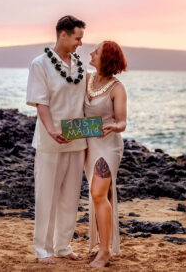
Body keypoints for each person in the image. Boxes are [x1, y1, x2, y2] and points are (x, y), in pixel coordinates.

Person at [26, 15, 87, 264]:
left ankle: (63, 246)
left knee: (70, 195)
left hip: (77, 137)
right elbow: (41, 102)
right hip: (50, 139)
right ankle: (43, 249)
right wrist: (51, 130)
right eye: (77, 38)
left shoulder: (80, 66)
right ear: (63, 34)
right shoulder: (40, 64)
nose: (80, 43)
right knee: (47, 195)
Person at [84, 41, 127, 268]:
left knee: (98, 193)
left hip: (108, 146)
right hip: (89, 145)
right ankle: (102, 244)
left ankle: (105, 251)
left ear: (106, 58)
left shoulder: (117, 88)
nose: (91, 53)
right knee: (100, 196)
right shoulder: (87, 79)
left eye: (97, 51)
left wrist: (114, 127)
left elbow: (122, 121)